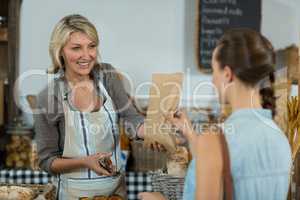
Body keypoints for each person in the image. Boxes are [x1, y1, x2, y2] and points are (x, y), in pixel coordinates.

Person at [138, 29, 292, 200]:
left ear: (227, 74)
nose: (212, 80)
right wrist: (189, 133)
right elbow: (224, 163)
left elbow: (220, 156)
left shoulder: (215, 139)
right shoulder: (280, 138)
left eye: (214, 71)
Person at [34, 14, 148, 199]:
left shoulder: (108, 76)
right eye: (76, 48)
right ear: (60, 51)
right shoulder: (48, 97)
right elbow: (47, 161)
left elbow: (131, 118)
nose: (86, 55)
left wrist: (155, 130)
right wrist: (85, 162)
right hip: (72, 194)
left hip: (114, 192)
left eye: (92, 46)